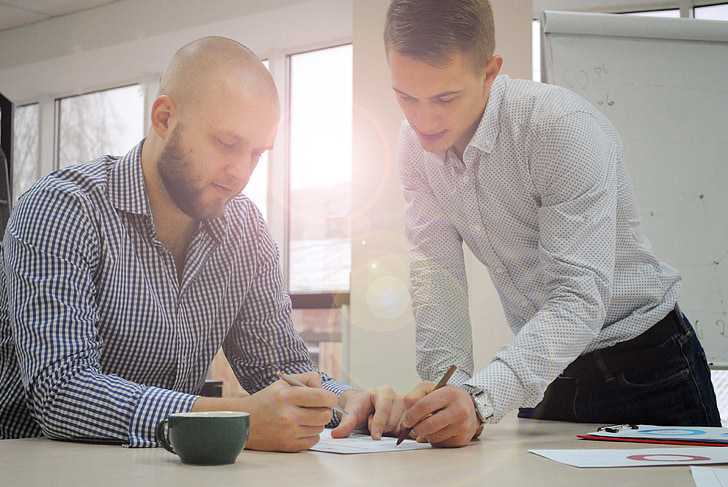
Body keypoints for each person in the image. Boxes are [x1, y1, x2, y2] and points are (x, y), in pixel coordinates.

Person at [0, 37, 405, 451]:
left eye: (256, 154)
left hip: (169, 471)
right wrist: (235, 418)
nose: (240, 173)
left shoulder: (244, 228)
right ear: (163, 118)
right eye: (227, 144)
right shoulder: (63, 208)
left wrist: (348, 401)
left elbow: (278, 368)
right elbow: (61, 392)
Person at [385, 0, 720, 447]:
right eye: (406, 97)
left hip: (648, 365)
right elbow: (436, 275)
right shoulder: (414, 149)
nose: (423, 120)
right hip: (546, 369)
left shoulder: (558, 127)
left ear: (489, 72)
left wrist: (481, 398)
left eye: (445, 98)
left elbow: (578, 297)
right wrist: (448, 387)